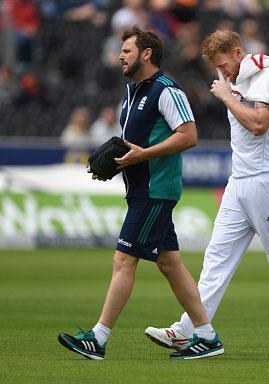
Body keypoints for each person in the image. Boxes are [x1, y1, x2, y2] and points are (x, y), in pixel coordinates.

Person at [145, 30, 269, 356]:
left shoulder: (268, 74)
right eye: (217, 67)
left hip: (266, 181)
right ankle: (189, 329)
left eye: (224, 63)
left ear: (238, 51)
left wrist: (227, 95)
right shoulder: (237, 80)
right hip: (239, 181)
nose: (223, 71)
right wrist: (230, 90)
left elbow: (259, 124)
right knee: (215, 259)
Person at [58, 26, 223, 361]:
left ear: (146, 54)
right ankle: (206, 336)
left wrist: (142, 156)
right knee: (169, 262)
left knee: (123, 259)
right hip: (140, 189)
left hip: (155, 190)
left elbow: (189, 136)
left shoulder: (167, 90)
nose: (120, 55)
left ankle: (98, 338)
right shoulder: (130, 92)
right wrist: (117, 164)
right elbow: (133, 144)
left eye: (127, 50)